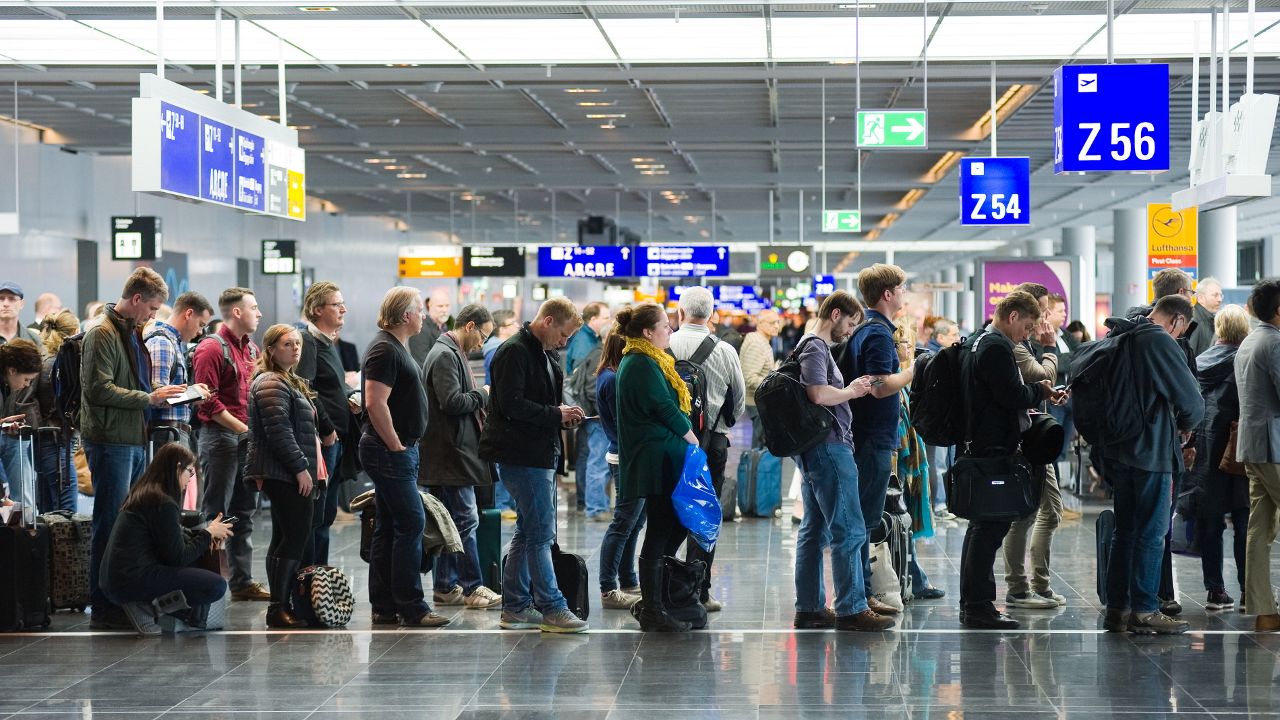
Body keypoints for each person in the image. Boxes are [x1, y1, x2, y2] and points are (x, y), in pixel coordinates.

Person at [80, 268, 187, 629]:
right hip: (111, 440)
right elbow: (98, 389)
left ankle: (121, 596)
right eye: (153, 308)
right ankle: (103, 601)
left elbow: (125, 382)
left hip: (132, 436)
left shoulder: (129, 331)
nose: (153, 316)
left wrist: (158, 392)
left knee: (130, 525)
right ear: (137, 299)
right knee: (109, 523)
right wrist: (149, 397)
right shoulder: (101, 333)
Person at [958, 291, 1067, 630]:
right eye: (1028, 326)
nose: (1029, 335)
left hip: (985, 444)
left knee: (983, 529)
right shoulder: (996, 347)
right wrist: (1040, 392)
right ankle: (978, 605)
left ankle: (975, 604)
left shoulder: (983, 343)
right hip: (993, 447)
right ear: (1013, 316)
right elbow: (1012, 395)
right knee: (989, 529)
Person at [480, 297, 588, 634]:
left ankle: (514, 607)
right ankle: (553, 607)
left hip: (537, 451)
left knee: (528, 532)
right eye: (564, 334)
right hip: (521, 455)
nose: (564, 342)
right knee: (542, 534)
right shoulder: (514, 351)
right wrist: (556, 414)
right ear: (548, 320)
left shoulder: (543, 352)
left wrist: (561, 413)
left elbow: (537, 400)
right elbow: (511, 405)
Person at [789, 292, 894, 632]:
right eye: (849, 323)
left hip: (817, 450)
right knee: (848, 528)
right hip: (830, 448)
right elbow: (818, 394)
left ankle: (810, 607)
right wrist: (852, 391)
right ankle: (851, 608)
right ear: (835, 315)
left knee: (815, 529)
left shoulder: (809, 346)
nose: (849, 332)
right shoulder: (816, 347)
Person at [1100, 294, 1203, 635]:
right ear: (1177, 321)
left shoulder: (1122, 333)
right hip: (1153, 451)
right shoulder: (1158, 340)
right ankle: (1144, 609)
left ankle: (1117, 608)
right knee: (1153, 532)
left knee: (1124, 531)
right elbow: (1191, 400)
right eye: (1182, 331)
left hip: (1120, 449)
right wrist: (1187, 425)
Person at [362, 287, 450, 628]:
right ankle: (412, 606)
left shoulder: (395, 346)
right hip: (389, 452)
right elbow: (374, 402)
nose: (424, 315)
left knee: (389, 526)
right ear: (404, 316)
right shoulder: (385, 349)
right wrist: (396, 444)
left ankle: (385, 605)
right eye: (419, 309)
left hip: (397, 450)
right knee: (411, 522)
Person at [614, 302, 700, 632]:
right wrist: (692, 440)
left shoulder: (648, 360)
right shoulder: (639, 362)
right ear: (648, 332)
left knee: (673, 524)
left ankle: (658, 598)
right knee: (663, 526)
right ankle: (652, 607)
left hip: (660, 457)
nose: (671, 330)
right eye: (665, 326)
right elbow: (664, 408)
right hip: (655, 460)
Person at [99, 443, 234, 635]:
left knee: (198, 563)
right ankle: (149, 609)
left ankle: (156, 609)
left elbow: (171, 542)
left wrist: (206, 536)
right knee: (215, 586)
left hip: (119, 578)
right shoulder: (162, 502)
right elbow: (178, 557)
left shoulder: (148, 494)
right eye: (189, 471)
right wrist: (208, 533)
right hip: (129, 581)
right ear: (177, 468)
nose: (190, 478)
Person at [420, 303, 503, 611]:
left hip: (451, 452)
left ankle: (445, 586)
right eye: (482, 335)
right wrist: (483, 393)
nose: (482, 343)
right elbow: (452, 402)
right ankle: (472, 587)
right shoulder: (444, 355)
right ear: (469, 326)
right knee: (465, 520)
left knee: (450, 522)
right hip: (450, 453)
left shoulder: (452, 353)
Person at [841, 263, 912, 617]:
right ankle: (859, 598)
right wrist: (912, 371)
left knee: (862, 519)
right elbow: (880, 386)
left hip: (865, 436)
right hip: (871, 440)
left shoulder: (864, 329)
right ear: (888, 293)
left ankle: (861, 594)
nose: (904, 294)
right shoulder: (880, 334)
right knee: (864, 520)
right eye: (902, 289)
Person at [670, 286, 745, 612]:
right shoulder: (725, 350)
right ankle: (699, 591)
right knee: (704, 515)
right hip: (712, 443)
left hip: (671, 442)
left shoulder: (665, 345)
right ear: (711, 315)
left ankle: (666, 584)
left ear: (679, 313)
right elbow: (739, 402)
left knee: (666, 513)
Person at [245, 324, 322, 629]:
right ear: (272, 349)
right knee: (294, 536)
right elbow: (280, 433)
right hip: (283, 472)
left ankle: (282, 604)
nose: (295, 348)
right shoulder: (270, 382)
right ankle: (278, 607)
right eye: (287, 344)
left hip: (286, 470)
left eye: (297, 343)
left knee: (285, 536)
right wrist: (301, 468)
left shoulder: (286, 380)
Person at [194, 287, 266, 602]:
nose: (259, 313)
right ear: (236, 312)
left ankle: (241, 580)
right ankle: (209, 581)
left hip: (244, 438)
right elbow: (205, 403)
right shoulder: (212, 348)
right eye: (254, 307)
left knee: (244, 512)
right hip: (221, 439)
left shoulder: (251, 349)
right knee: (216, 513)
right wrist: (243, 429)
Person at [1001, 283, 1068, 610]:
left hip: (1036, 434)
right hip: (1023, 440)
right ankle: (1019, 588)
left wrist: (1047, 390)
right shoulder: (1016, 346)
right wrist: (1050, 348)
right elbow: (1043, 375)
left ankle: (1037, 584)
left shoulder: (1021, 342)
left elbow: (1042, 385)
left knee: (1050, 511)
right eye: (1037, 314)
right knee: (1024, 515)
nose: (1043, 321)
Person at [1185, 304, 1250, 611]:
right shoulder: (1244, 361)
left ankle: (1215, 590)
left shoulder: (1199, 362)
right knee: (1244, 521)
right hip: (1238, 451)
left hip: (1207, 453)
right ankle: (1250, 589)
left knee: (1210, 522)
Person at [296, 281, 359, 566]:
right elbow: (304, 389)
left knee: (326, 515)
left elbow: (331, 387)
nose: (343, 309)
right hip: (323, 443)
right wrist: (328, 430)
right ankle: (309, 580)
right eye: (337, 304)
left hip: (337, 440)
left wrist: (350, 396)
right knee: (315, 516)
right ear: (318, 309)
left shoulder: (327, 342)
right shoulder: (307, 342)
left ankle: (318, 576)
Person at [1235, 279, 1280, 633]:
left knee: (1259, 528)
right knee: (1259, 529)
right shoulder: (1275, 343)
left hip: (1252, 446)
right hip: (1275, 447)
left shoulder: (1250, 340)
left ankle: (1263, 610)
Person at [892, 316, 945, 601]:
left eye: (911, 343)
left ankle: (911, 576)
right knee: (900, 517)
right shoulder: (895, 379)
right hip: (899, 458)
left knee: (905, 516)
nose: (908, 348)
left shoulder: (909, 376)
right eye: (902, 343)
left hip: (912, 454)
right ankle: (911, 578)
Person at [595, 331, 644, 610]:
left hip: (625, 455)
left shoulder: (609, 375)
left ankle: (627, 579)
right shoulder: (613, 379)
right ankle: (608, 587)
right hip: (625, 458)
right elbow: (625, 421)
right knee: (623, 522)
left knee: (633, 522)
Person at [145, 291, 214, 449]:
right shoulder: (162, 342)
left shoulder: (173, 342)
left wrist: (193, 395)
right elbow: (157, 398)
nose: (200, 332)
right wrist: (192, 393)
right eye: (201, 324)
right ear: (189, 313)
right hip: (166, 435)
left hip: (173, 433)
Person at [566, 302, 611, 519]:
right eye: (605, 317)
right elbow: (591, 385)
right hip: (595, 415)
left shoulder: (590, 343)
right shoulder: (590, 348)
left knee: (587, 456)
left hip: (588, 412)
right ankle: (595, 506)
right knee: (597, 460)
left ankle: (589, 503)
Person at [32, 310, 81, 512]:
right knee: (65, 508)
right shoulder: (59, 363)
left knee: (48, 504)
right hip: (57, 439)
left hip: (48, 438)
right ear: (74, 332)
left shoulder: (45, 360)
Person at [482, 309, 519, 518]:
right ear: (503, 329)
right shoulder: (497, 349)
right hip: (499, 410)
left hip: (496, 407)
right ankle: (503, 504)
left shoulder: (496, 347)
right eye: (513, 323)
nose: (517, 326)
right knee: (502, 457)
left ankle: (505, 503)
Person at [0, 339, 42, 508]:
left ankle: (25, 516)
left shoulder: (5, 386)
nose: (27, 385)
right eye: (26, 379)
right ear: (12, 371)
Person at [739, 308, 782, 450]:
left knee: (760, 446)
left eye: (778, 322)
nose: (777, 326)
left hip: (760, 401)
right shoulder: (757, 344)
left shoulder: (762, 341)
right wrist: (773, 383)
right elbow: (750, 378)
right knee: (760, 448)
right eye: (772, 322)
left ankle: (757, 472)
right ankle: (757, 472)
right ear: (760, 324)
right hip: (756, 402)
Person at [408, 287, 451, 366]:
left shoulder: (445, 327)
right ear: (430, 306)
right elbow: (422, 364)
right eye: (440, 306)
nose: (444, 310)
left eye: (447, 305)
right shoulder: (420, 329)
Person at [1187, 277, 1224, 358]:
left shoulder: (1209, 318)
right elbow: (1190, 356)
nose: (1220, 299)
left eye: (1221, 295)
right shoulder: (1195, 321)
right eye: (1215, 295)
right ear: (1200, 298)